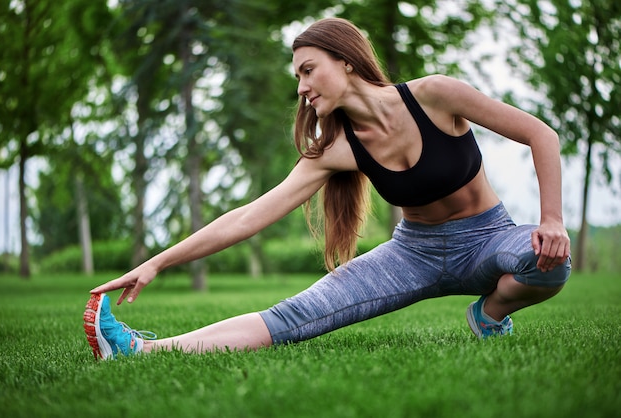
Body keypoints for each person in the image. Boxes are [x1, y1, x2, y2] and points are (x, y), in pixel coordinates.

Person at [84, 17, 571, 360]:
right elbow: (248, 216)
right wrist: (157, 262)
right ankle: (140, 349)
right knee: (294, 316)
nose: (301, 86)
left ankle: (489, 313)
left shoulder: (437, 95)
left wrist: (552, 220)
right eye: (297, 76)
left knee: (551, 264)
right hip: (412, 255)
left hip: (487, 237)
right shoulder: (337, 149)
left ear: (347, 63)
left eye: (308, 70)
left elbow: (540, 135)